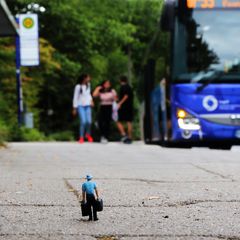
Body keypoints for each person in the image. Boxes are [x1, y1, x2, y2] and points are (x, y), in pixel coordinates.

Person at [73, 73, 94, 144]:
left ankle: (88, 134)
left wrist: (91, 101)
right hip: (80, 105)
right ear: (84, 78)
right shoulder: (78, 87)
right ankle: (81, 137)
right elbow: (75, 97)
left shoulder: (88, 85)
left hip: (87, 105)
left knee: (89, 121)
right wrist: (74, 108)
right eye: (88, 78)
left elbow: (89, 94)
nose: (89, 79)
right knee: (83, 121)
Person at [117, 76, 134, 144]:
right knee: (129, 122)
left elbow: (125, 96)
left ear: (120, 80)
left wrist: (120, 103)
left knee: (118, 121)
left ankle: (124, 135)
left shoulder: (123, 87)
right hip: (130, 106)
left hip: (124, 107)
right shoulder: (129, 87)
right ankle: (130, 137)